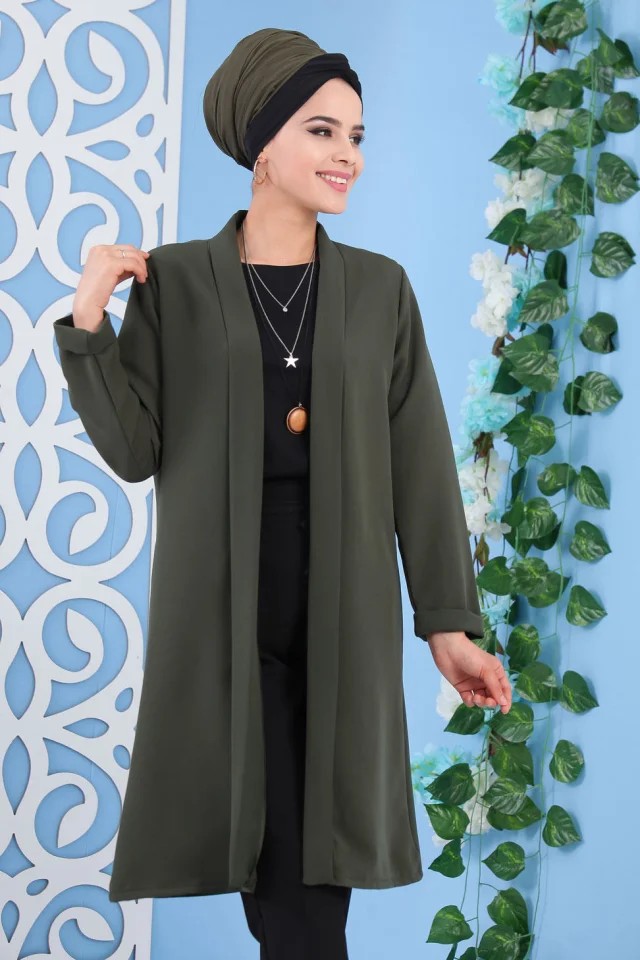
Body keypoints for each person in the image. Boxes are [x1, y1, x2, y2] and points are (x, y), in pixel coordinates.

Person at [53, 27, 512, 960]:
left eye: (356, 136)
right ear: (262, 146)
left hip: (343, 603)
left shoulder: (380, 291)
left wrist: (446, 625)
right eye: (322, 131)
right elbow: (136, 452)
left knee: (311, 866)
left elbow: (420, 464)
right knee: (280, 865)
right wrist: (89, 321)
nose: (348, 155)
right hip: (221, 607)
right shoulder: (177, 283)